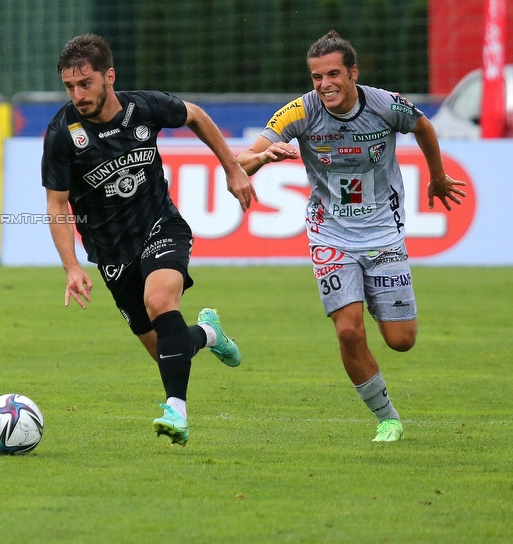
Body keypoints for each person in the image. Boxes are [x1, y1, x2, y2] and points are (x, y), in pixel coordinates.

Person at [237, 30, 467, 443]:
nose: (323, 84)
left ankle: (377, 299)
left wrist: (437, 177)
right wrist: (262, 157)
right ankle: (387, 418)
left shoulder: (384, 105)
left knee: (401, 341)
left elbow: (424, 127)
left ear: (352, 73)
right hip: (331, 235)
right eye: (315, 76)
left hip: (383, 234)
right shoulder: (299, 112)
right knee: (347, 330)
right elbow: (242, 159)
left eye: (332, 74)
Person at [41, 34, 255, 446]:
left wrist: (232, 168)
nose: (77, 94)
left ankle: (176, 411)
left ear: (109, 77)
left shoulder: (144, 107)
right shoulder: (62, 134)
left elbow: (194, 115)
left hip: (161, 226)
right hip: (110, 253)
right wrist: (71, 266)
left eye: (85, 83)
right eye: (70, 86)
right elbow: (56, 206)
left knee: (159, 302)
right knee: (167, 350)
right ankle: (209, 334)